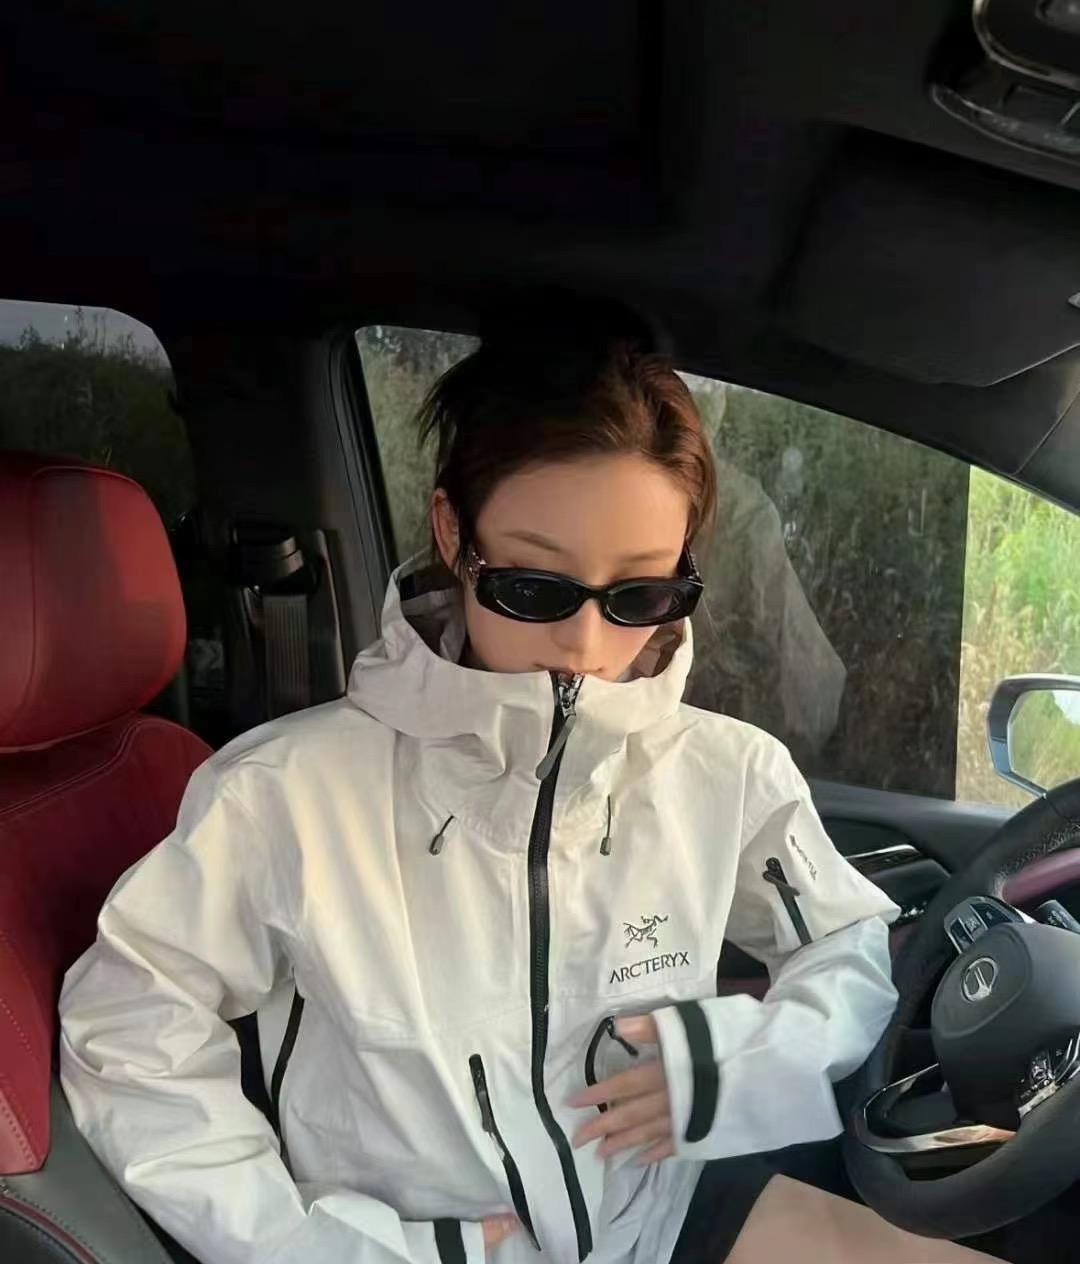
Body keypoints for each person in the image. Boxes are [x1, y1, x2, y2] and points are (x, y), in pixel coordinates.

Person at [57, 298, 993, 1264]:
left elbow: (846, 944)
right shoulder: (282, 795)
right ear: (453, 534)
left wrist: (737, 1064)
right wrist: (316, 1246)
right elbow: (128, 1029)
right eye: (535, 588)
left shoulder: (730, 770)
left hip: (662, 1217)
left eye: (642, 594)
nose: (586, 645)